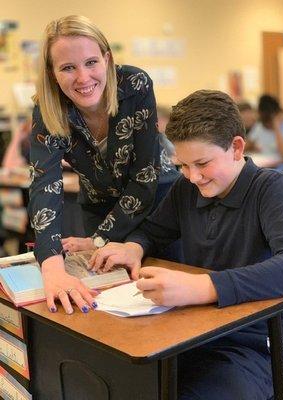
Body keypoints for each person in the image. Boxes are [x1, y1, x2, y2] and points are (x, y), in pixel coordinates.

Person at [89, 90, 283, 400]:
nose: (193, 177)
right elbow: (153, 231)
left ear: (236, 147)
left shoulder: (272, 189)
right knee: (116, 379)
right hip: (189, 333)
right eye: (183, 165)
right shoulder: (186, 189)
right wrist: (134, 247)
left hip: (251, 348)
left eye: (202, 163)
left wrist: (203, 287)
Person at [28, 15, 176, 315]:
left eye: (91, 62)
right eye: (68, 67)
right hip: (99, 207)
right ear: (52, 72)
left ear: (107, 59)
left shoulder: (135, 85)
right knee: (105, 306)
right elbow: (45, 186)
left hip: (156, 205)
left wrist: (97, 240)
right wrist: (52, 266)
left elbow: (145, 177)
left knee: (157, 301)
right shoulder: (47, 110)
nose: (83, 78)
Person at [248, 94, 283, 163]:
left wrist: (276, 127)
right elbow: (248, 145)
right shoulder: (260, 126)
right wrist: (253, 147)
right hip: (263, 164)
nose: (267, 126)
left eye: (269, 122)